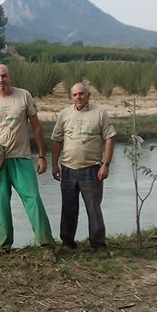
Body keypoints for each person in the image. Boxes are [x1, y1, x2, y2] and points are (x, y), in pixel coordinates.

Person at [0, 63, 55, 252]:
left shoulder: (23, 96)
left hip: (21, 158)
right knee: (1, 203)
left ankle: (46, 245)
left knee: (33, 199)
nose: (1, 80)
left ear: (10, 77)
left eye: (4, 76)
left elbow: (36, 127)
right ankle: (4, 247)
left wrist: (42, 156)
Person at [51, 82, 117, 249]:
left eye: (81, 94)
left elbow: (109, 138)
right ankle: (67, 242)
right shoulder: (64, 114)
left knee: (93, 208)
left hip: (92, 169)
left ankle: (98, 244)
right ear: (71, 97)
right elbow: (57, 141)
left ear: (88, 95)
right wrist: (54, 165)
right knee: (68, 208)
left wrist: (106, 164)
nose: (78, 97)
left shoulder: (100, 113)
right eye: (74, 94)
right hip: (68, 168)